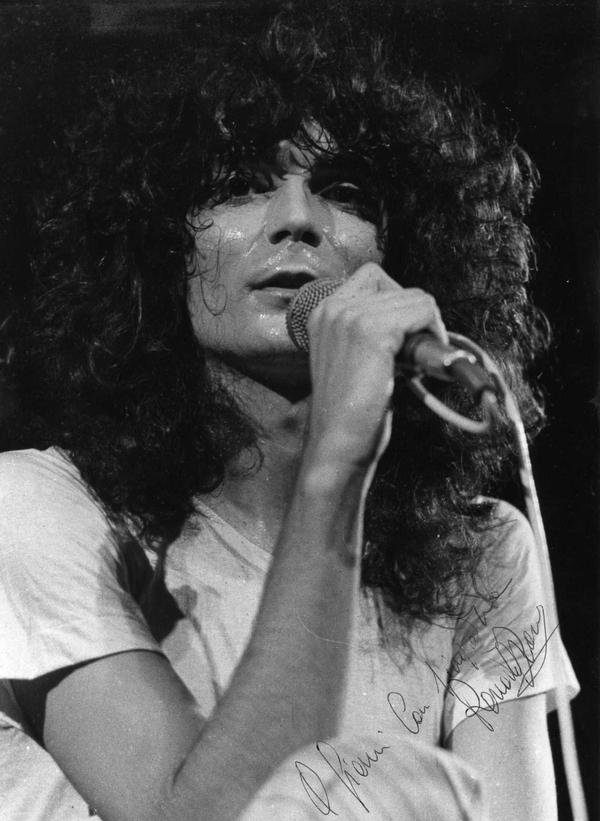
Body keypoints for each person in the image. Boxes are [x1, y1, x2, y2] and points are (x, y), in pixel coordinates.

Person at [0, 6, 579, 820]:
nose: (299, 219)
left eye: (344, 192)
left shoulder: (480, 555)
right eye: (238, 185)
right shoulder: (38, 506)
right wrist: (336, 464)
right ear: (158, 245)